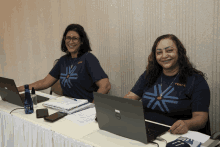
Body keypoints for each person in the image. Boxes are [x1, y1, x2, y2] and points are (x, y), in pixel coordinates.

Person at [124, 34, 210, 135]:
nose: (164, 56)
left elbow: (201, 118)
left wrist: (187, 124)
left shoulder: (196, 80)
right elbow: (129, 99)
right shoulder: (149, 75)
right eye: (159, 52)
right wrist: (118, 107)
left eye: (169, 50)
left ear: (179, 52)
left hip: (177, 135)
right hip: (146, 132)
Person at [17, 24, 111, 103]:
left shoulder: (88, 58)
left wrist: (92, 106)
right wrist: (20, 89)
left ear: (82, 41)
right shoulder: (63, 60)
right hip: (67, 106)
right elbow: (44, 82)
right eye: (68, 38)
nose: (71, 41)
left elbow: (105, 86)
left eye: (75, 38)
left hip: (85, 108)